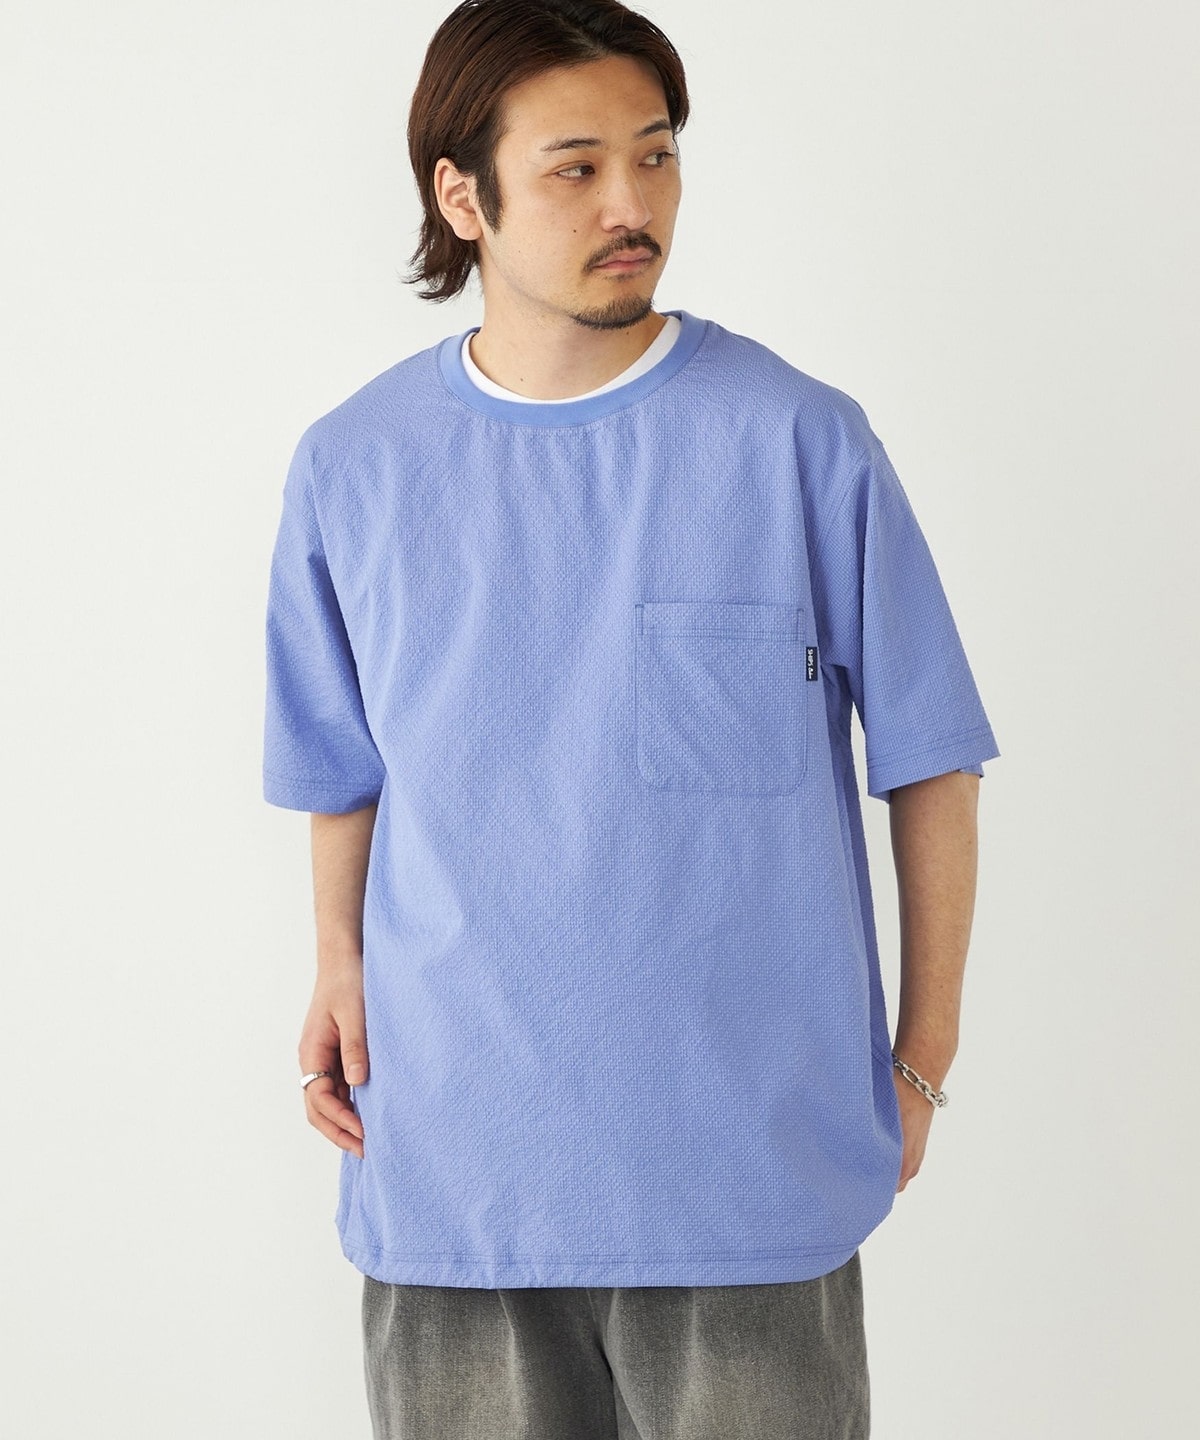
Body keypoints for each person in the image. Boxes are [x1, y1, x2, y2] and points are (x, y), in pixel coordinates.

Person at [262, 2, 999, 1435]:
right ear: (461, 196)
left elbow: (933, 760)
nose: (632, 205)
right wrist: (337, 960)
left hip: (747, 1180)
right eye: (577, 168)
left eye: (656, 157)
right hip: (457, 1174)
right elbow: (339, 768)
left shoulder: (797, 438)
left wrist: (926, 1056)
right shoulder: (354, 467)